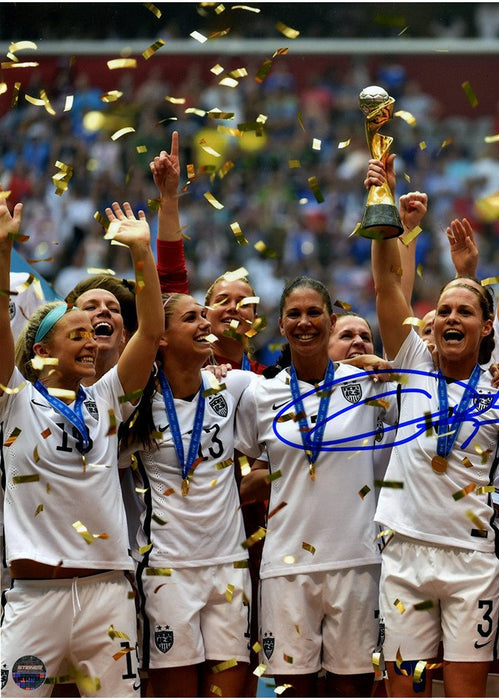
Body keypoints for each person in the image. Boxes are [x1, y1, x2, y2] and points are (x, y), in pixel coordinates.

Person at [370, 209, 499, 696]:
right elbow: (385, 286)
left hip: (473, 559)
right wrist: (386, 217)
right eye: (443, 311)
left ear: (486, 329)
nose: (450, 319)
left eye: (464, 312)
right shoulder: (412, 364)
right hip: (404, 552)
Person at [0, 199, 163, 697]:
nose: (92, 343)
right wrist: (3, 247)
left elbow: (152, 332)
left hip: (107, 594)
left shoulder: (109, 399)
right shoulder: (14, 402)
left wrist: (142, 253)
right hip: (34, 597)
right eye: (78, 335)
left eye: (94, 335)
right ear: (43, 350)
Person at [236, 276, 395, 697]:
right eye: (294, 314)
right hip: (286, 567)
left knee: (354, 690)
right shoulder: (260, 394)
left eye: (314, 312)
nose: (304, 322)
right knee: (293, 691)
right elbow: (251, 468)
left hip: (357, 562)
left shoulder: (367, 385)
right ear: (282, 325)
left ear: (331, 319)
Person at [119, 292, 255, 697]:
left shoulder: (232, 386)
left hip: (229, 564)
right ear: (160, 337)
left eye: (204, 316)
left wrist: (362, 364)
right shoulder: (135, 404)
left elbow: (302, 385)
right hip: (167, 569)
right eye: (191, 317)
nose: (205, 324)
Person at [150, 131, 267, 374]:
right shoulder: (184, 361)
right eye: (223, 301)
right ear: (204, 315)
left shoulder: (266, 377)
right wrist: (169, 198)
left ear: (255, 319)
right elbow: (171, 275)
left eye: (243, 303)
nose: (233, 307)